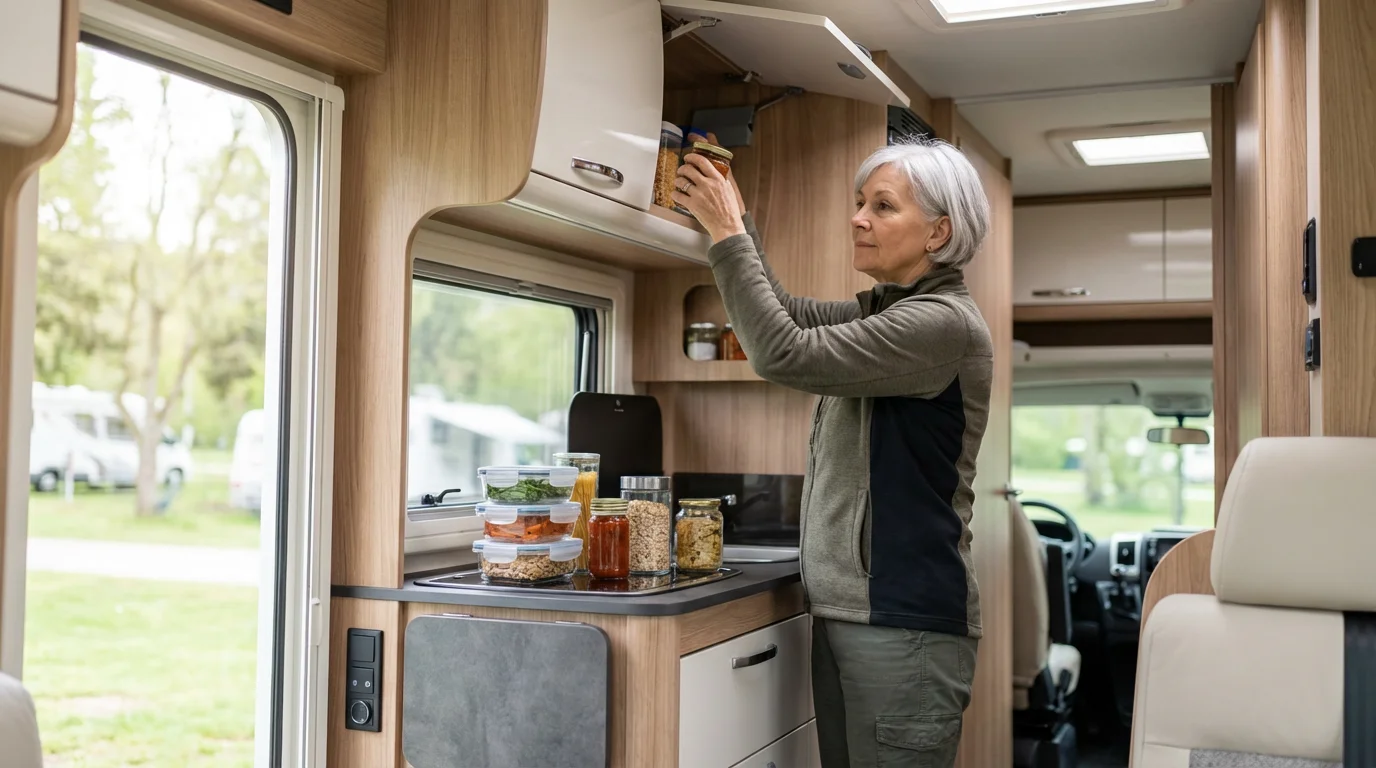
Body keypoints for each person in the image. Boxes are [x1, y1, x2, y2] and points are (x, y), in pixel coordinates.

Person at [672, 138, 993, 768]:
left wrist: (727, 233)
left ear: (938, 232)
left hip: (903, 623)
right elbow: (786, 316)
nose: (857, 218)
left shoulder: (940, 324)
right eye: (858, 203)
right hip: (861, 612)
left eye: (882, 205)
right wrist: (738, 219)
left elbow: (781, 351)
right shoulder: (891, 314)